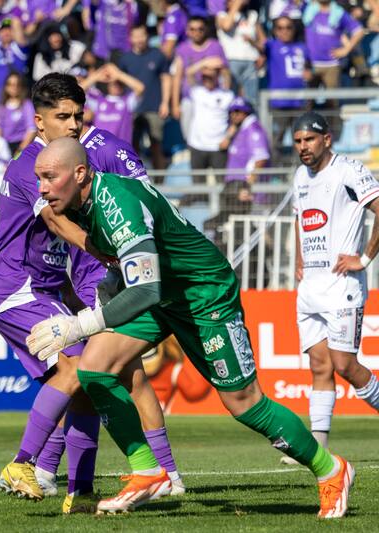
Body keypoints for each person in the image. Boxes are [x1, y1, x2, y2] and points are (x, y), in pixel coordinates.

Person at [27, 136, 354, 518]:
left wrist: (79, 324)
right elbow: (128, 268)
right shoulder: (80, 202)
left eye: (49, 177)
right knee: (94, 369)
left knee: (244, 404)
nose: (43, 187)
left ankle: (331, 469)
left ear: (80, 173)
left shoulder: (118, 205)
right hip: (162, 296)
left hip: (204, 296)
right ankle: (149, 471)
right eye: (39, 178)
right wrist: (105, 292)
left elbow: (145, 288)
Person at [0, 73, 182, 512]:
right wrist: (110, 253)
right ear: (40, 122)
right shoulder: (29, 167)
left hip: (48, 288)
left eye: (78, 116)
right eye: (63, 117)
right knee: (80, 369)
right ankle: (23, 463)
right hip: (15, 288)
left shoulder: (78, 160)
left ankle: (81, 487)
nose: (74, 125)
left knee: (91, 375)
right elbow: (57, 224)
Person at [283, 112, 379, 464]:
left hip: (342, 286)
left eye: (309, 139)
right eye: (297, 141)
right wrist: (298, 260)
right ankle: (317, 447)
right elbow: (300, 217)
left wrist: (364, 260)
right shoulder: (299, 176)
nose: (303, 147)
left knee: (345, 365)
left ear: (327, 139)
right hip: (311, 286)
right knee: (319, 366)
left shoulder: (349, 170)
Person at [119, 24, 171, 171]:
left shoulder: (158, 55)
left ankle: (160, 181)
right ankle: (136, 178)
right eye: (135, 36)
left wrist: (165, 103)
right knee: (132, 146)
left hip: (154, 107)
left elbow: (166, 79)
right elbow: (120, 84)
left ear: (147, 37)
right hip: (132, 110)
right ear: (130, 38)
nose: (139, 40)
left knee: (156, 144)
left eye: (142, 35)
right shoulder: (125, 59)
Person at [260, 16, 311, 163]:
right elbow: (259, 44)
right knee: (275, 142)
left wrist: (309, 73)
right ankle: (277, 175)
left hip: (299, 103)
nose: (285, 31)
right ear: (275, 30)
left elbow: (309, 69)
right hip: (278, 104)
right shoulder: (271, 46)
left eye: (289, 27)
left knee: (303, 141)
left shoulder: (302, 47)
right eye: (280, 28)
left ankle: (301, 173)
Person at [171, 15, 230, 139]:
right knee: (189, 136)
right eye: (192, 29)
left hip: (212, 98)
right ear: (187, 31)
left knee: (212, 135)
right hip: (189, 99)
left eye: (200, 29)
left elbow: (225, 73)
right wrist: (175, 104)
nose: (196, 32)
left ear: (206, 30)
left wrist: (226, 95)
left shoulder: (216, 46)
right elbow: (177, 77)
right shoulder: (182, 49)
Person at [185, 58, 234, 174]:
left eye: (211, 77)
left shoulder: (227, 95)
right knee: (198, 187)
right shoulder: (197, 92)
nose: (207, 80)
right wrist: (204, 63)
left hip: (218, 146)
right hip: (197, 145)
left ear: (217, 77)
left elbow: (235, 121)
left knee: (222, 186)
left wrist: (228, 138)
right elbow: (188, 73)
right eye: (204, 77)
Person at [220, 97, 270, 185]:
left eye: (237, 111)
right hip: (235, 184)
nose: (233, 115)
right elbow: (222, 146)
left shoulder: (253, 129)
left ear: (246, 112)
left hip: (244, 187)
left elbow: (261, 158)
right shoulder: (239, 129)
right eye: (231, 112)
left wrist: (248, 184)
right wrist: (229, 135)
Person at [0, 71, 36, 156]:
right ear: (6, 87)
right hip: (4, 146)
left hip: (20, 145)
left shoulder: (27, 105)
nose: (14, 87)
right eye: (10, 84)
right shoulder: (1, 107)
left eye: (17, 84)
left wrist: (20, 150)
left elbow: (31, 130)